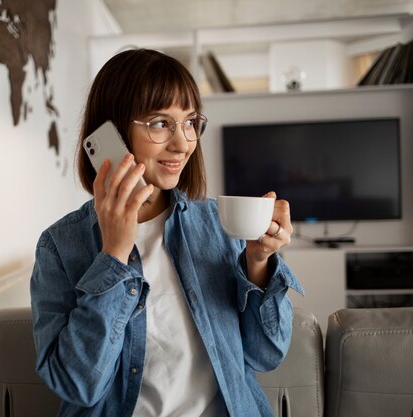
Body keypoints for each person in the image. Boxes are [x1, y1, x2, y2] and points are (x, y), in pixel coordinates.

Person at [30, 48, 304, 417]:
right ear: (109, 131)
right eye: (160, 123)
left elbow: (265, 354)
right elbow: (77, 384)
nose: (183, 143)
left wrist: (258, 261)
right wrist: (113, 254)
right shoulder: (61, 247)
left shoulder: (218, 224)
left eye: (190, 122)